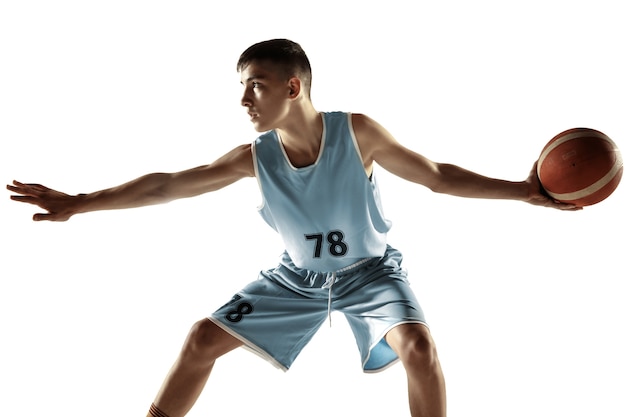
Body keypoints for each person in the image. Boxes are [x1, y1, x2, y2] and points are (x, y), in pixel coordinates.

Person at [7, 39, 579, 417]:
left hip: (370, 273)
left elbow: (436, 176)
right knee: (201, 339)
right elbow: (167, 184)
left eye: (254, 83)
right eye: (241, 85)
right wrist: (79, 202)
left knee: (421, 349)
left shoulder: (358, 132)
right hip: (295, 280)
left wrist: (524, 191)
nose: (243, 98)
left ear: (292, 87)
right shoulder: (254, 157)